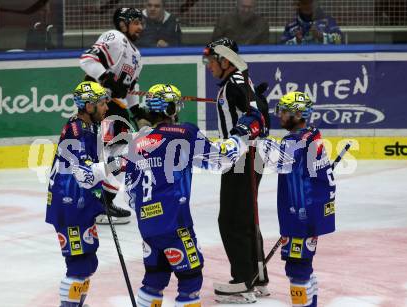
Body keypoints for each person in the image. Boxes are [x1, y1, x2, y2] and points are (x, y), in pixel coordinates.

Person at [112, 83, 266, 307]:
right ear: (171, 109)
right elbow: (221, 160)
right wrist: (242, 132)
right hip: (176, 225)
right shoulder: (183, 133)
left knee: (155, 279)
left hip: (148, 227)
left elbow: (128, 191)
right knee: (190, 280)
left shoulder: (136, 142)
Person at [202, 37, 271, 303]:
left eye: (211, 60)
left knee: (233, 220)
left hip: (244, 156)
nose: (208, 66)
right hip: (246, 157)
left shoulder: (237, 82)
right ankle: (257, 277)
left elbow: (257, 116)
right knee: (244, 216)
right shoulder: (236, 82)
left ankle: (243, 281)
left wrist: (239, 134)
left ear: (225, 61)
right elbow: (256, 107)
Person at [80, 7, 150, 225]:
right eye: (136, 22)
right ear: (122, 24)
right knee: (120, 153)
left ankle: (99, 202)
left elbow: (130, 88)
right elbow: (87, 60)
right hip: (99, 104)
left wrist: (137, 111)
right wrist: (107, 77)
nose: (140, 27)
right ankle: (101, 204)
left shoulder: (136, 55)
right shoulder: (115, 38)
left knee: (116, 154)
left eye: (141, 23)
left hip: (114, 107)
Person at [45, 81, 112, 307]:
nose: (106, 108)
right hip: (69, 202)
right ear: (88, 106)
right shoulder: (76, 131)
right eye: (102, 103)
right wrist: (115, 165)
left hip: (79, 201)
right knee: (79, 264)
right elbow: (85, 172)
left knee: (88, 261)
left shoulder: (89, 127)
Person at [273, 91, 336, 307]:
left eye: (284, 111)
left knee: (297, 269)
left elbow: (277, 164)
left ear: (298, 114)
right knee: (304, 266)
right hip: (312, 212)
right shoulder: (312, 135)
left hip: (300, 215)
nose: (280, 115)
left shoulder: (294, 141)